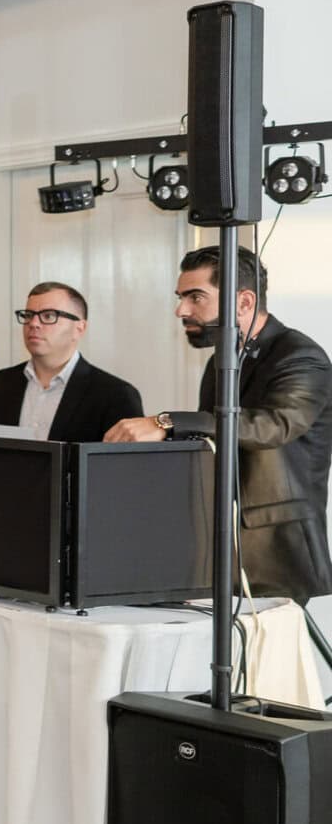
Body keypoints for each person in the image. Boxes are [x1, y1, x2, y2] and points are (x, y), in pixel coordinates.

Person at [106, 245, 332, 602]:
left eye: (195, 297)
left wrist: (166, 422)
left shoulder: (301, 355)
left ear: (244, 301)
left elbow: (273, 426)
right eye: (181, 297)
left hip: (279, 556)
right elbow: (212, 437)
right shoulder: (221, 359)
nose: (181, 310)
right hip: (217, 546)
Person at [0, 281, 142, 443]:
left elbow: (126, 469)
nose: (34, 324)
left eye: (48, 316)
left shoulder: (115, 394)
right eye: (28, 315)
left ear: (79, 328)